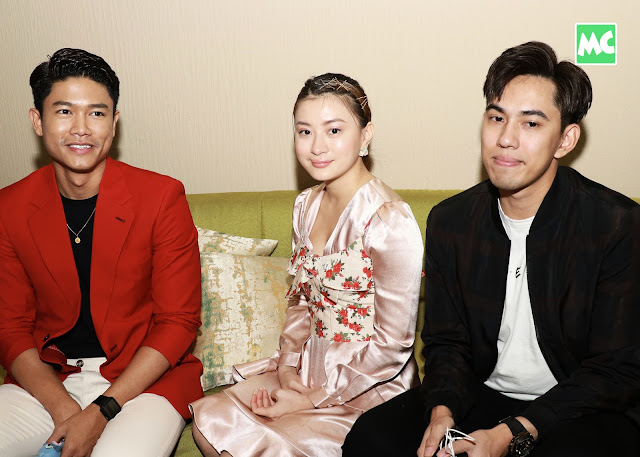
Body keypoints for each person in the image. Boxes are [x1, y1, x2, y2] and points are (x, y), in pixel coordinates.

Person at [343, 41, 640, 457]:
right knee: (372, 438)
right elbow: (446, 343)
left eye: (531, 123)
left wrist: (510, 433)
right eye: (496, 117)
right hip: (481, 393)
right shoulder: (451, 221)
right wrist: (442, 412)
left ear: (565, 139)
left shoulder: (615, 224)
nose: (505, 139)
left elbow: (615, 369)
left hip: (576, 405)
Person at [190, 73, 424, 456]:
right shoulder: (305, 205)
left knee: (269, 444)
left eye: (334, 130)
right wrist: (286, 368)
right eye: (304, 131)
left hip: (368, 384)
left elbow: (393, 345)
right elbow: (301, 300)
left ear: (365, 135)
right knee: (211, 421)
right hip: (308, 366)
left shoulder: (388, 220)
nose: (317, 147)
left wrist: (312, 399)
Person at [0, 48, 203, 457]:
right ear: (38, 121)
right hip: (47, 381)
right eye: (64, 112)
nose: (81, 129)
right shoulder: (10, 207)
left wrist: (101, 410)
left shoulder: (161, 197)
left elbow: (178, 322)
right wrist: (65, 409)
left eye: (96, 113)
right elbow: (10, 327)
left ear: (114, 123)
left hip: (142, 382)